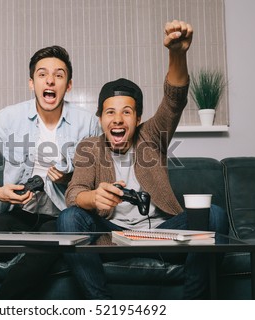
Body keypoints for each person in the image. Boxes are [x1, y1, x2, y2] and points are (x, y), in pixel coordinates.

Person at [57, 20, 229, 299]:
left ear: (138, 119)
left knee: (215, 215)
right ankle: (102, 307)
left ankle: (194, 307)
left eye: (127, 112)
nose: (118, 119)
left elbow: (174, 100)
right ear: (100, 118)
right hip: (111, 238)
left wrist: (177, 53)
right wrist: (93, 198)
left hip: (162, 235)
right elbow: (74, 193)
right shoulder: (89, 147)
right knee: (68, 219)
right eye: (110, 112)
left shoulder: (152, 136)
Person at [0, 45, 100, 299]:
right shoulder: (9, 117)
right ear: (32, 83)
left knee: (54, 240)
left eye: (59, 75)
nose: (50, 80)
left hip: (62, 216)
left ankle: (0, 303)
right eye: (42, 74)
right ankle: (42, 248)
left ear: (69, 85)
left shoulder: (88, 123)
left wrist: (70, 179)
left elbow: (98, 178)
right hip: (20, 213)